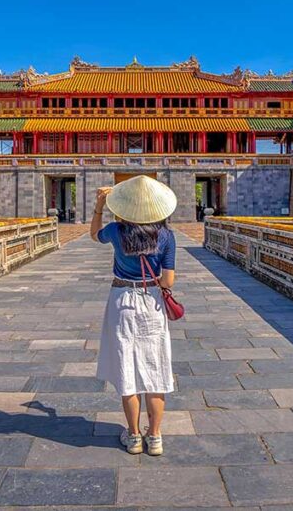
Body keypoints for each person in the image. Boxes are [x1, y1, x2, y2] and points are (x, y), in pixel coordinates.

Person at [91, 176, 177, 456]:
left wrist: (99, 206)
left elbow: (94, 235)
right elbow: (169, 281)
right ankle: (155, 438)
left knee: (127, 368)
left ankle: (134, 436)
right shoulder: (166, 236)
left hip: (122, 300)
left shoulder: (116, 230)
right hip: (151, 302)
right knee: (156, 369)